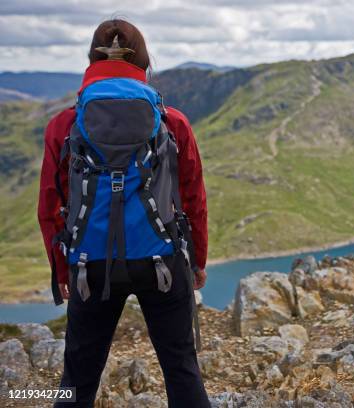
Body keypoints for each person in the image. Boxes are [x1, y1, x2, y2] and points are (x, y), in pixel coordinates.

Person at [37, 19, 211, 408]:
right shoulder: (172, 122)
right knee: (181, 369)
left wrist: (62, 269)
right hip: (162, 263)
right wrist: (196, 260)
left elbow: (50, 205)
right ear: (145, 62)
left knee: (77, 378)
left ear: (90, 60)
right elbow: (193, 198)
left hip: (89, 264)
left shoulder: (63, 125)